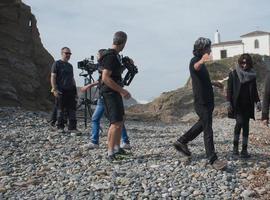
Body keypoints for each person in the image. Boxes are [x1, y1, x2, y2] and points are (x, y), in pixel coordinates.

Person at [173, 37, 227, 170]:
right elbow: (196, 67)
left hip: (207, 101)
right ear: (202, 49)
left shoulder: (200, 63)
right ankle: (213, 159)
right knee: (208, 129)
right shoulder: (195, 61)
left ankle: (182, 141)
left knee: (203, 124)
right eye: (208, 47)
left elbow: (202, 79)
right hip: (202, 102)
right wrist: (203, 59)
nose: (210, 50)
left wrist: (214, 83)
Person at [80, 49, 131, 149]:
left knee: (114, 121)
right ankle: (124, 142)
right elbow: (100, 80)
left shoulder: (105, 64)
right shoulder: (105, 65)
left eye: (98, 55)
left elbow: (104, 79)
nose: (97, 57)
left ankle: (102, 144)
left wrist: (88, 86)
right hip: (103, 96)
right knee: (115, 120)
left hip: (105, 96)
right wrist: (89, 85)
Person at [99, 31, 132, 161]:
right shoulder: (110, 56)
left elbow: (113, 74)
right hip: (109, 92)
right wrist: (122, 91)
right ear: (123, 42)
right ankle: (110, 153)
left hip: (114, 92)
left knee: (120, 120)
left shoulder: (115, 56)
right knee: (115, 123)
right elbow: (105, 78)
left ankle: (117, 148)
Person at [227, 53, 261, 158]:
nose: (244, 65)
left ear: (249, 63)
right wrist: (228, 102)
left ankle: (244, 150)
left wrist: (258, 102)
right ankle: (235, 148)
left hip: (248, 105)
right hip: (237, 105)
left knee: (246, 126)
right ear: (240, 63)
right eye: (242, 63)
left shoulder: (252, 75)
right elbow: (229, 90)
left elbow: (254, 91)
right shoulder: (233, 74)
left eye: (246, 63)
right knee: (239, 123)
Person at [50, 47, 80, 134]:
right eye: (66, 53)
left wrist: (75, 92)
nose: (68, 55)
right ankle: (60, 127)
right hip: (60, 90)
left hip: (70, 90)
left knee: (72, 109)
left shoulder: (70, 66)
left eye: (69, 54)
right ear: (62, 53)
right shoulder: (57, 64)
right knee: (60, 109)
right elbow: (53, 77)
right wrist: (54, 89)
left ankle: (72, 127)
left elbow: (72, 78)